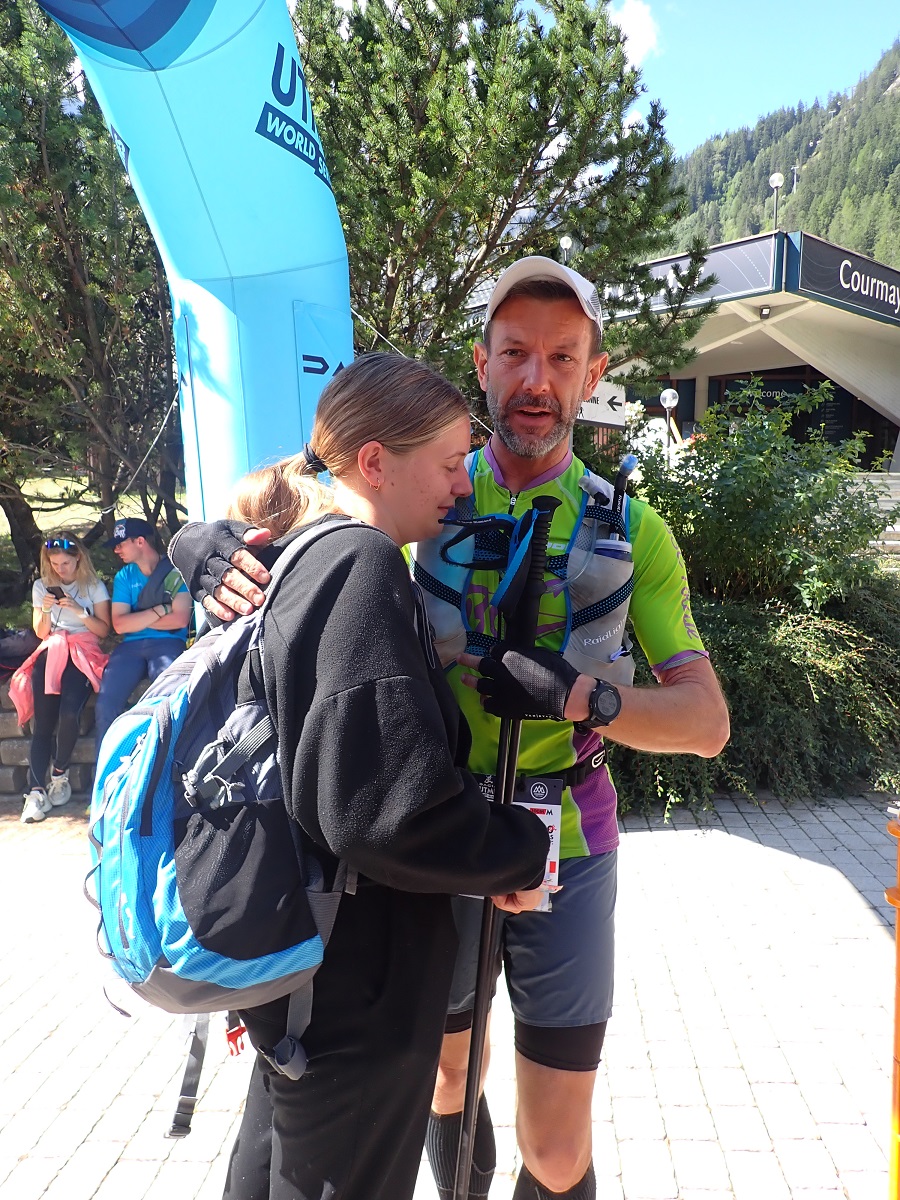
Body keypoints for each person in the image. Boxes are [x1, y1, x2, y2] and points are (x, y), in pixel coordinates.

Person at [173, 258, 731, 1200]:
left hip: (567, 848)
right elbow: (312, 482)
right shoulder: (424, 487)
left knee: (554, 1150)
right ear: (483, 363)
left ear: (594, 376)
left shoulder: (632, 531)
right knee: (440, 1081)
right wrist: (207, 541)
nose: (536, 379)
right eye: (515, 353)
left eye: (562, 357)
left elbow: (706, 724)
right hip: (431, 846)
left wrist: (579, 699)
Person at [170, 351, 550, 1200]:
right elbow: (386, 812)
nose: (463, 485)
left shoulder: (301, 557)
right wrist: (518, 851)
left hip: (302, 981)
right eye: (451, 463)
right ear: (375, 461)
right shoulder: (361, 565)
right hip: (360, 1001)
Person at [10, 532, 111, 823]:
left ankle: (60, 772)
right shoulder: (42, 586)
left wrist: (79, 611)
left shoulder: (93, 586)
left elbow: (104, 630)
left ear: (77, 557)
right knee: (43, 722)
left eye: (65, 563)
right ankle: (36, 791)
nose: (60, 569)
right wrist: (44, 608)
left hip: (82, 650)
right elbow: (42, 633)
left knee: (69, 713)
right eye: (54, 564)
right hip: (52, 650)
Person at [93, 517, 192, 751]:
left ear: (139, 541)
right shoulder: (124, 577)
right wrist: (160, 610)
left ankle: (170, 763)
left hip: (169, 643)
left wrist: (137, 620)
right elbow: (119, 625)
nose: (116, 550)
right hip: (130, 649)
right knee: (106, 705)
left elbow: (180, 619)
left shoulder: (175, 572)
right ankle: (106, 771)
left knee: (170, 698)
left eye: (120, 544)